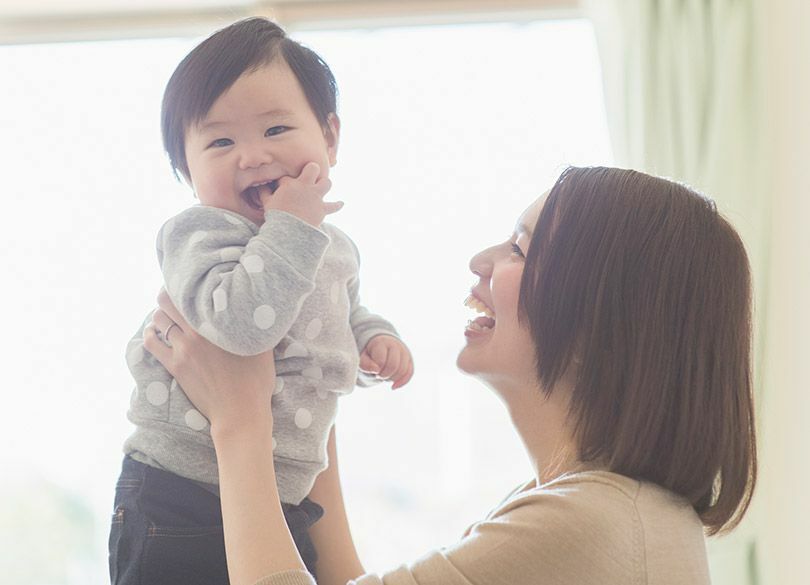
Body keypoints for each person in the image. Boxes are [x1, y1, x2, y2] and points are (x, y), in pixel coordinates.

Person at [144, 166, 757, 585]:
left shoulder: (587, 524)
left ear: (607, 311)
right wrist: (305, 399)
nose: (481, 262)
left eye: (519, 249)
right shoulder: (607, 510)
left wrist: (240, 426)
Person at [110, 17, 413, 585]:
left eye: (276, 129)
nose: (251, 156)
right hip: (182, 491)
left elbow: (344, 312)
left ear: (330, 138)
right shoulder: (199, 234)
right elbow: (244, 329)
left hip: (285, 492)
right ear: (186, 170)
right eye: (220, 141)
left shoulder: (331, 246)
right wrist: (292, 226)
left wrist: (375, 338)